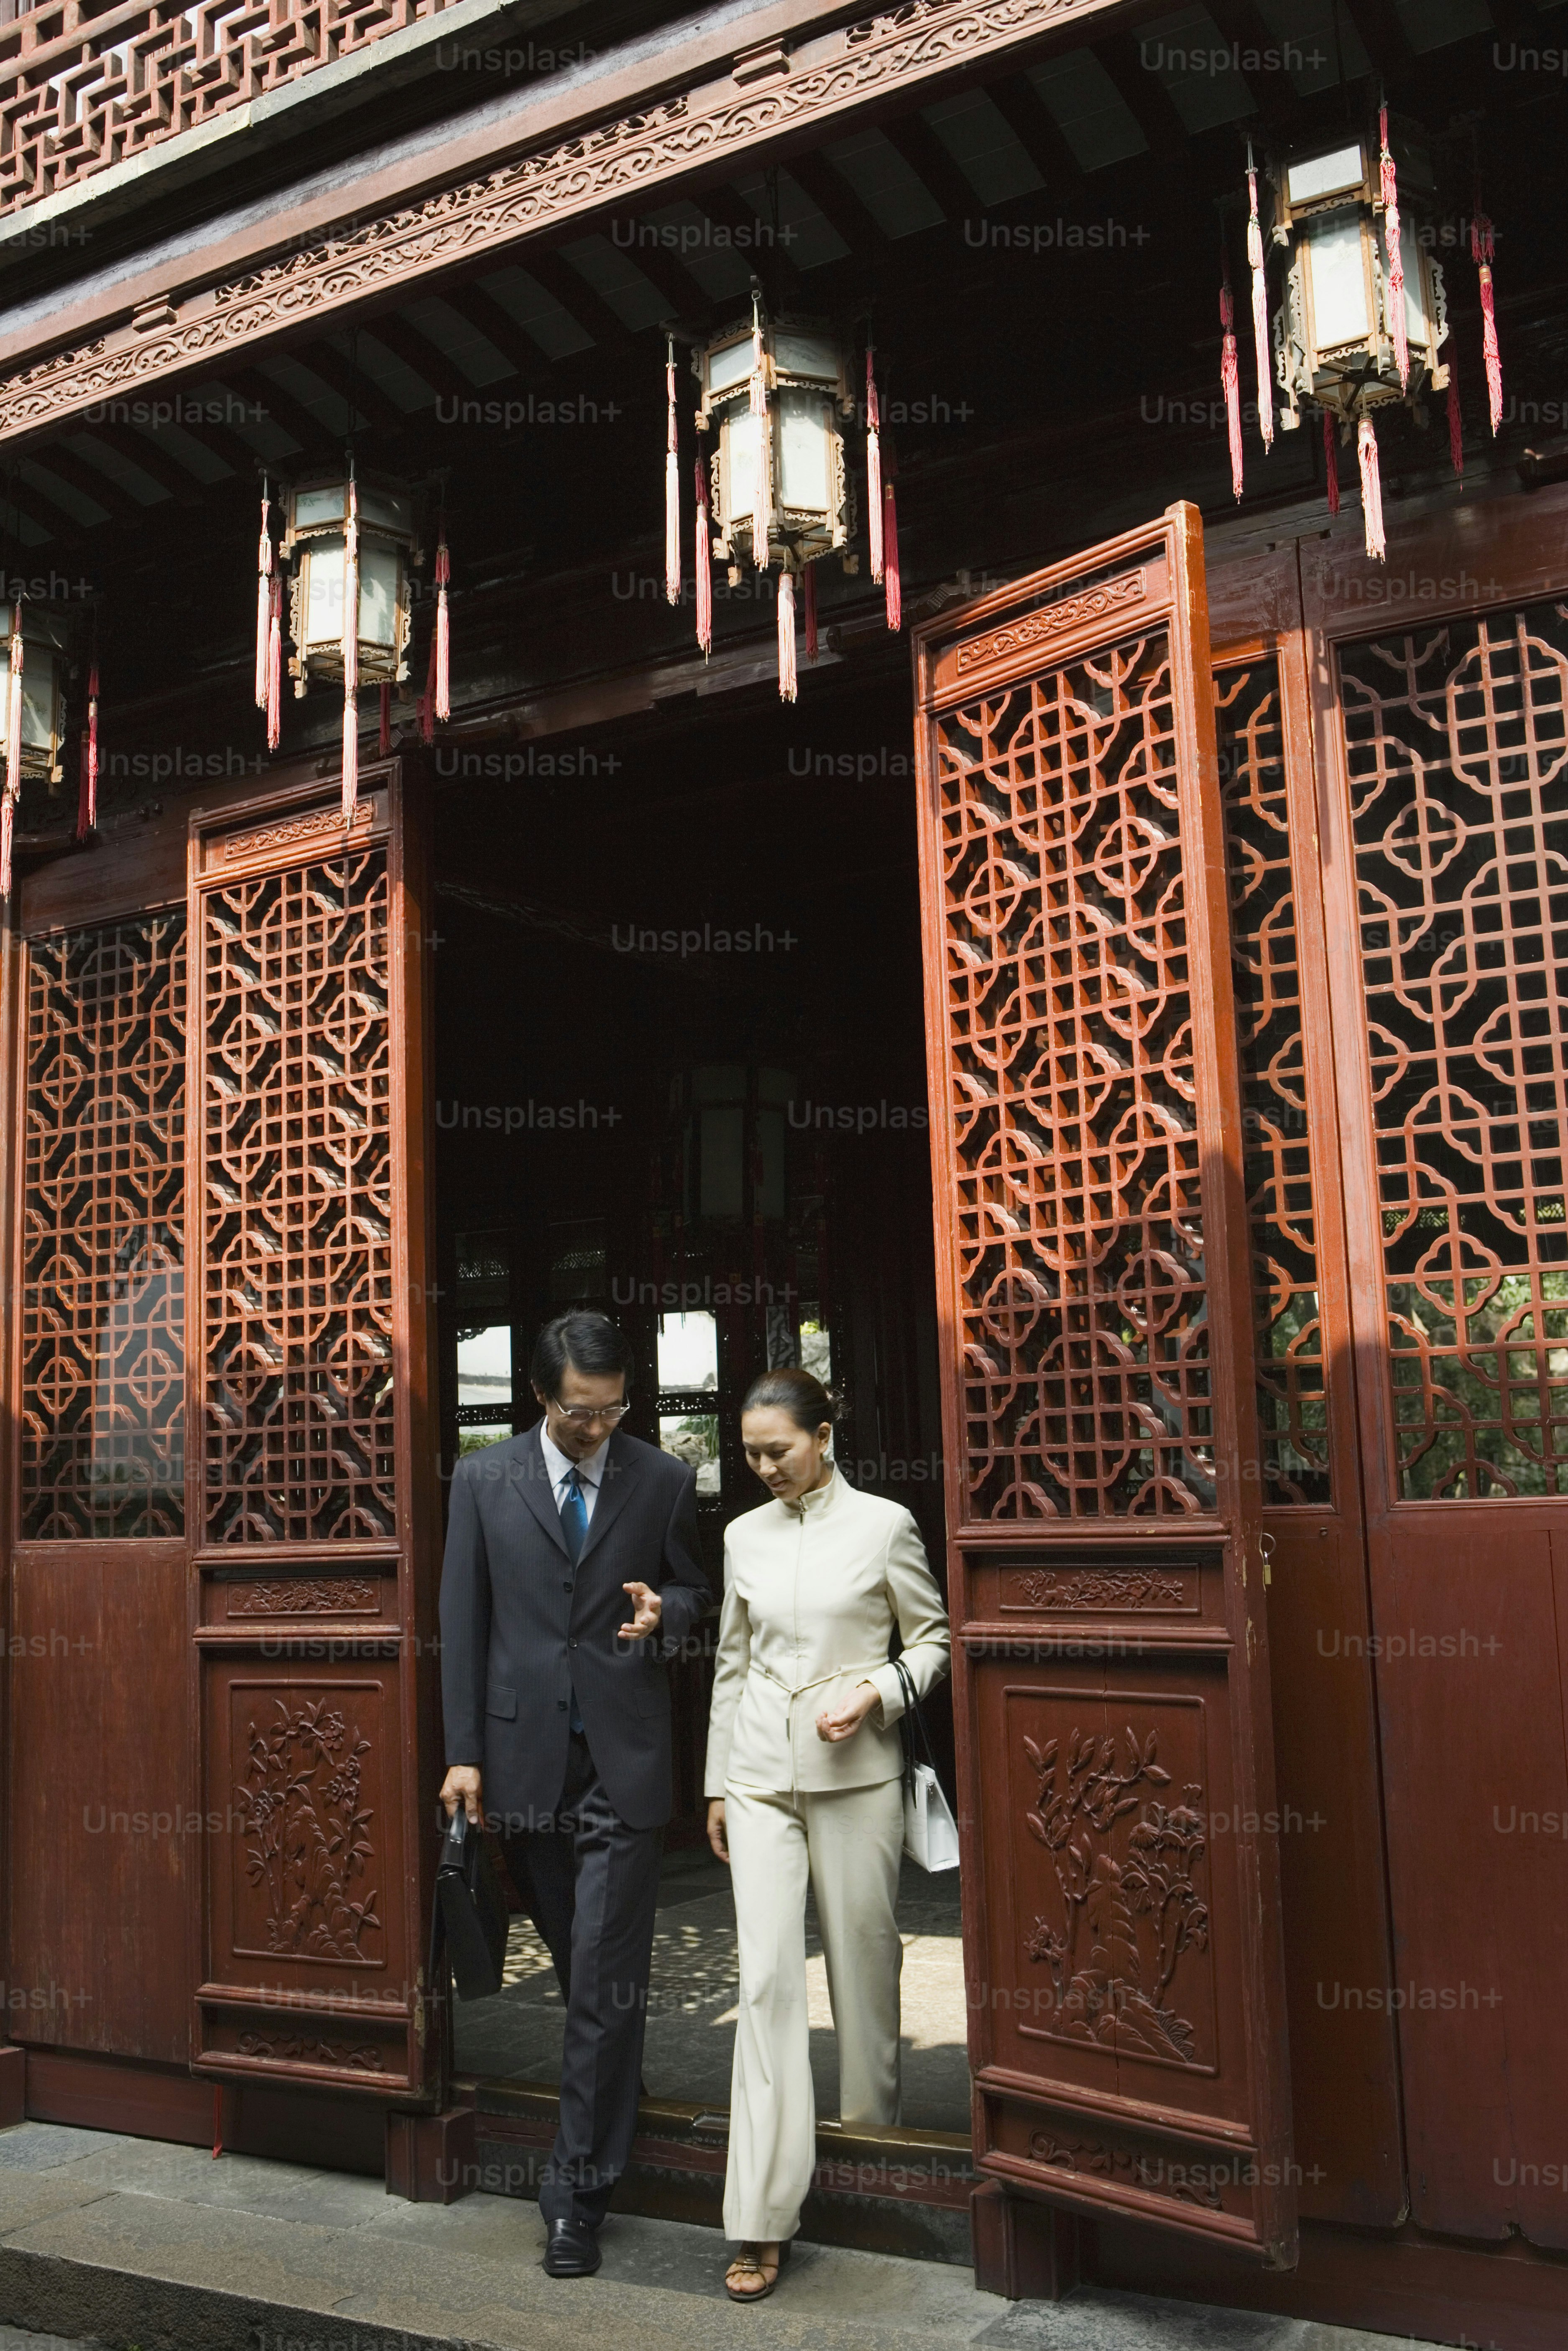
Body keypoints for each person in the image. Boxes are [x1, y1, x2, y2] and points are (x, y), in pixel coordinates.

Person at [439, 1309, 709, 2279]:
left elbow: (696, 1591)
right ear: (542, 1398)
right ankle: (612, 2086)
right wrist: (464, 1752)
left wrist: (664, 1611)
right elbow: (462, 1620)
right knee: (579, 1969)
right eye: (580, 1414)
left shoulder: (664, 1478)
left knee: (596, 1978)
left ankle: (574, 2198)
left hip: (623, 1767)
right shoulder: (482, 1479)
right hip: (522, 1764)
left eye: (614, 1410)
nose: (599, 1429)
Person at [705, 1367, 951, 2302]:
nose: (765, 1467)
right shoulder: (741, 1536)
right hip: (761, 1778)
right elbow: (732, 1665)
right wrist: (718, 1785)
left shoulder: (884, 1525)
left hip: (859, 1776)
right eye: (752, 1454)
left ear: (824, 1434)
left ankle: (872, 2161)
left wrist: (877, 1692)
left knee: (863, 1964)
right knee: (765, 1981)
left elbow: (933, 1640)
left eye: (780, 1450)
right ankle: (760, 2215)